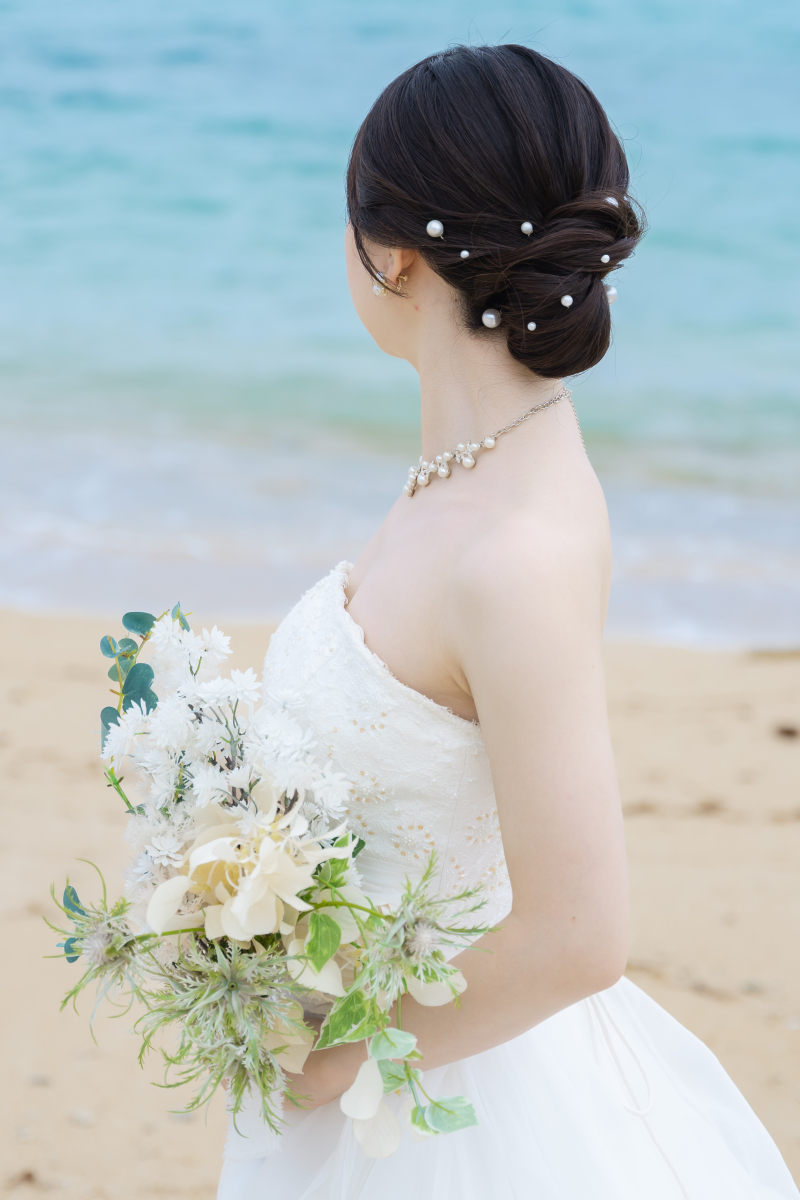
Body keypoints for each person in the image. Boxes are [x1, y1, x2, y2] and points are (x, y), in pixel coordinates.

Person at [219, 44, 798, 1200]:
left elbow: (580, 937)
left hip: (453, 1110)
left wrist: (323, 1064)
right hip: (390, 1035)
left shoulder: (512, 549)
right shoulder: (483, 449)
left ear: (386, 255)